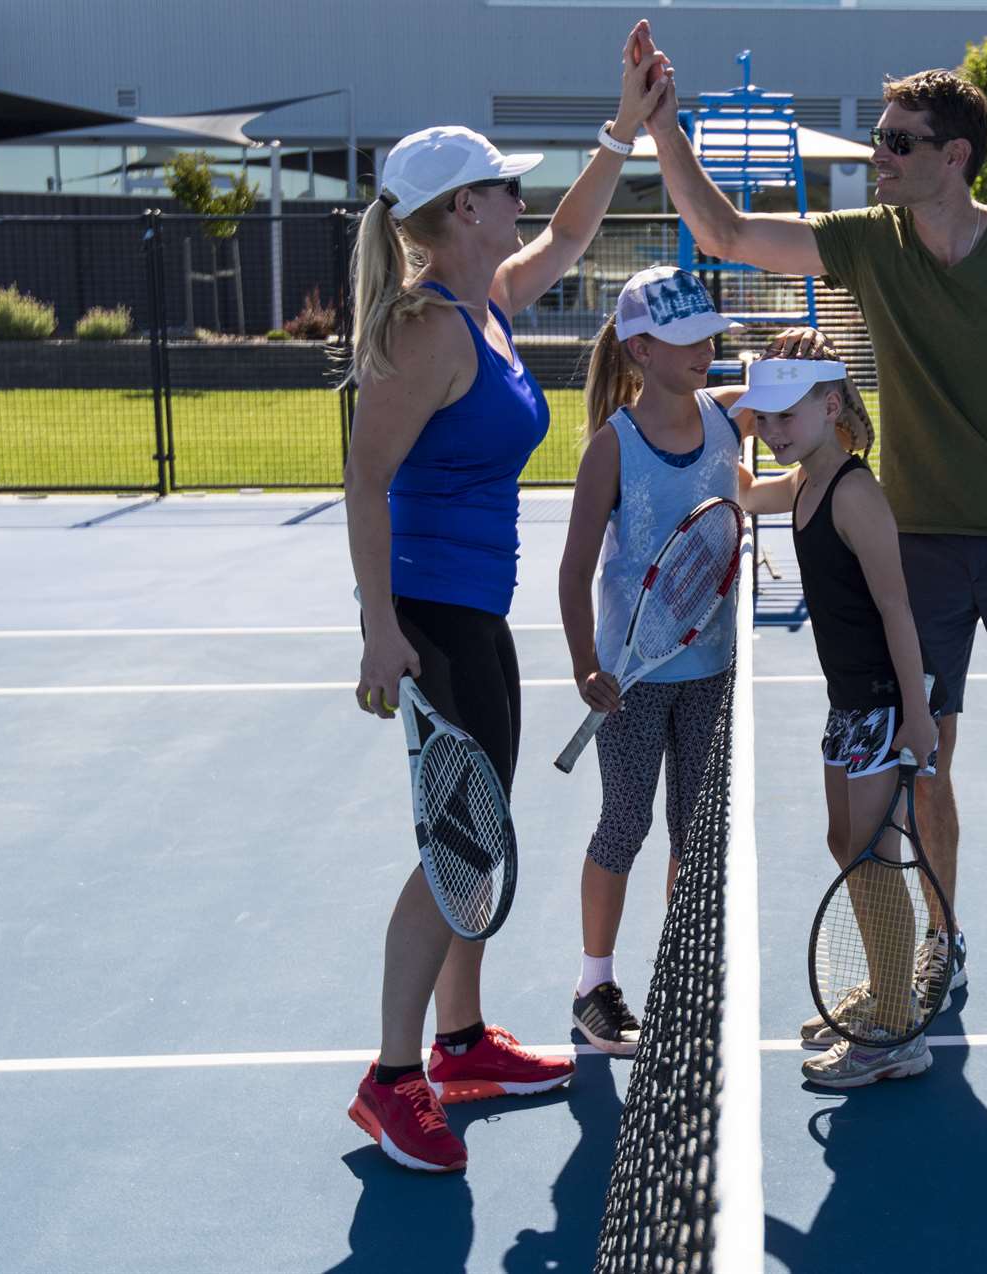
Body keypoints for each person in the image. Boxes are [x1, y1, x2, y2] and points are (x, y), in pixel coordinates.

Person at [636, 37, 987, 1010]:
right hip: (917, 547)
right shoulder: (873, 240)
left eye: (897, 143)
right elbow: (726, 232)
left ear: (954, 156)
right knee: (928, 750)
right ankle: (942, 936)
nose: (879, 155)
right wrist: (663, 128)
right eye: (879, 139)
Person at [342, 24, 671, 1174]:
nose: (517, 201)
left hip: (475, 613)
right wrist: (382, 630)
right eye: (501, 188)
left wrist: (623, 127)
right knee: (458, 845)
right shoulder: (427, 330)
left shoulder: (486, 301)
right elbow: (365, 481)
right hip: (432, 617)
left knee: (480, 832)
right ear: (461, 210)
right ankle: (392, 1081)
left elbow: (573, 231)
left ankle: (463, 1042)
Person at [557, 269, 827, 1054]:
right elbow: (574, 571)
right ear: (640, 349)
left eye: (709, 336)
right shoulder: (612, 447)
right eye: (686, 340)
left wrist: (822, 450)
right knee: (624, 823)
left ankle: (678, 978)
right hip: (631, 682)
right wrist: (585, 666)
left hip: (712, 670)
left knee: (692, 833)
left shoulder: (728, 419)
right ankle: (594, 987)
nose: (705, 350)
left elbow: (756, 477)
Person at [734, 350, 945, 1088]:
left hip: (883, 702)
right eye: (764, 418)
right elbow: (743, 492)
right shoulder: (804, 481)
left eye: (785, 416)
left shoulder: (855, 494)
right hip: (848, 701)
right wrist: (725, 413)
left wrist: (916, 715)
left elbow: (896, 607)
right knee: (845, 843)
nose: (772, 431)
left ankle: (895, 1031)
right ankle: (888, 989)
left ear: (830, 409)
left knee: (871, 856)